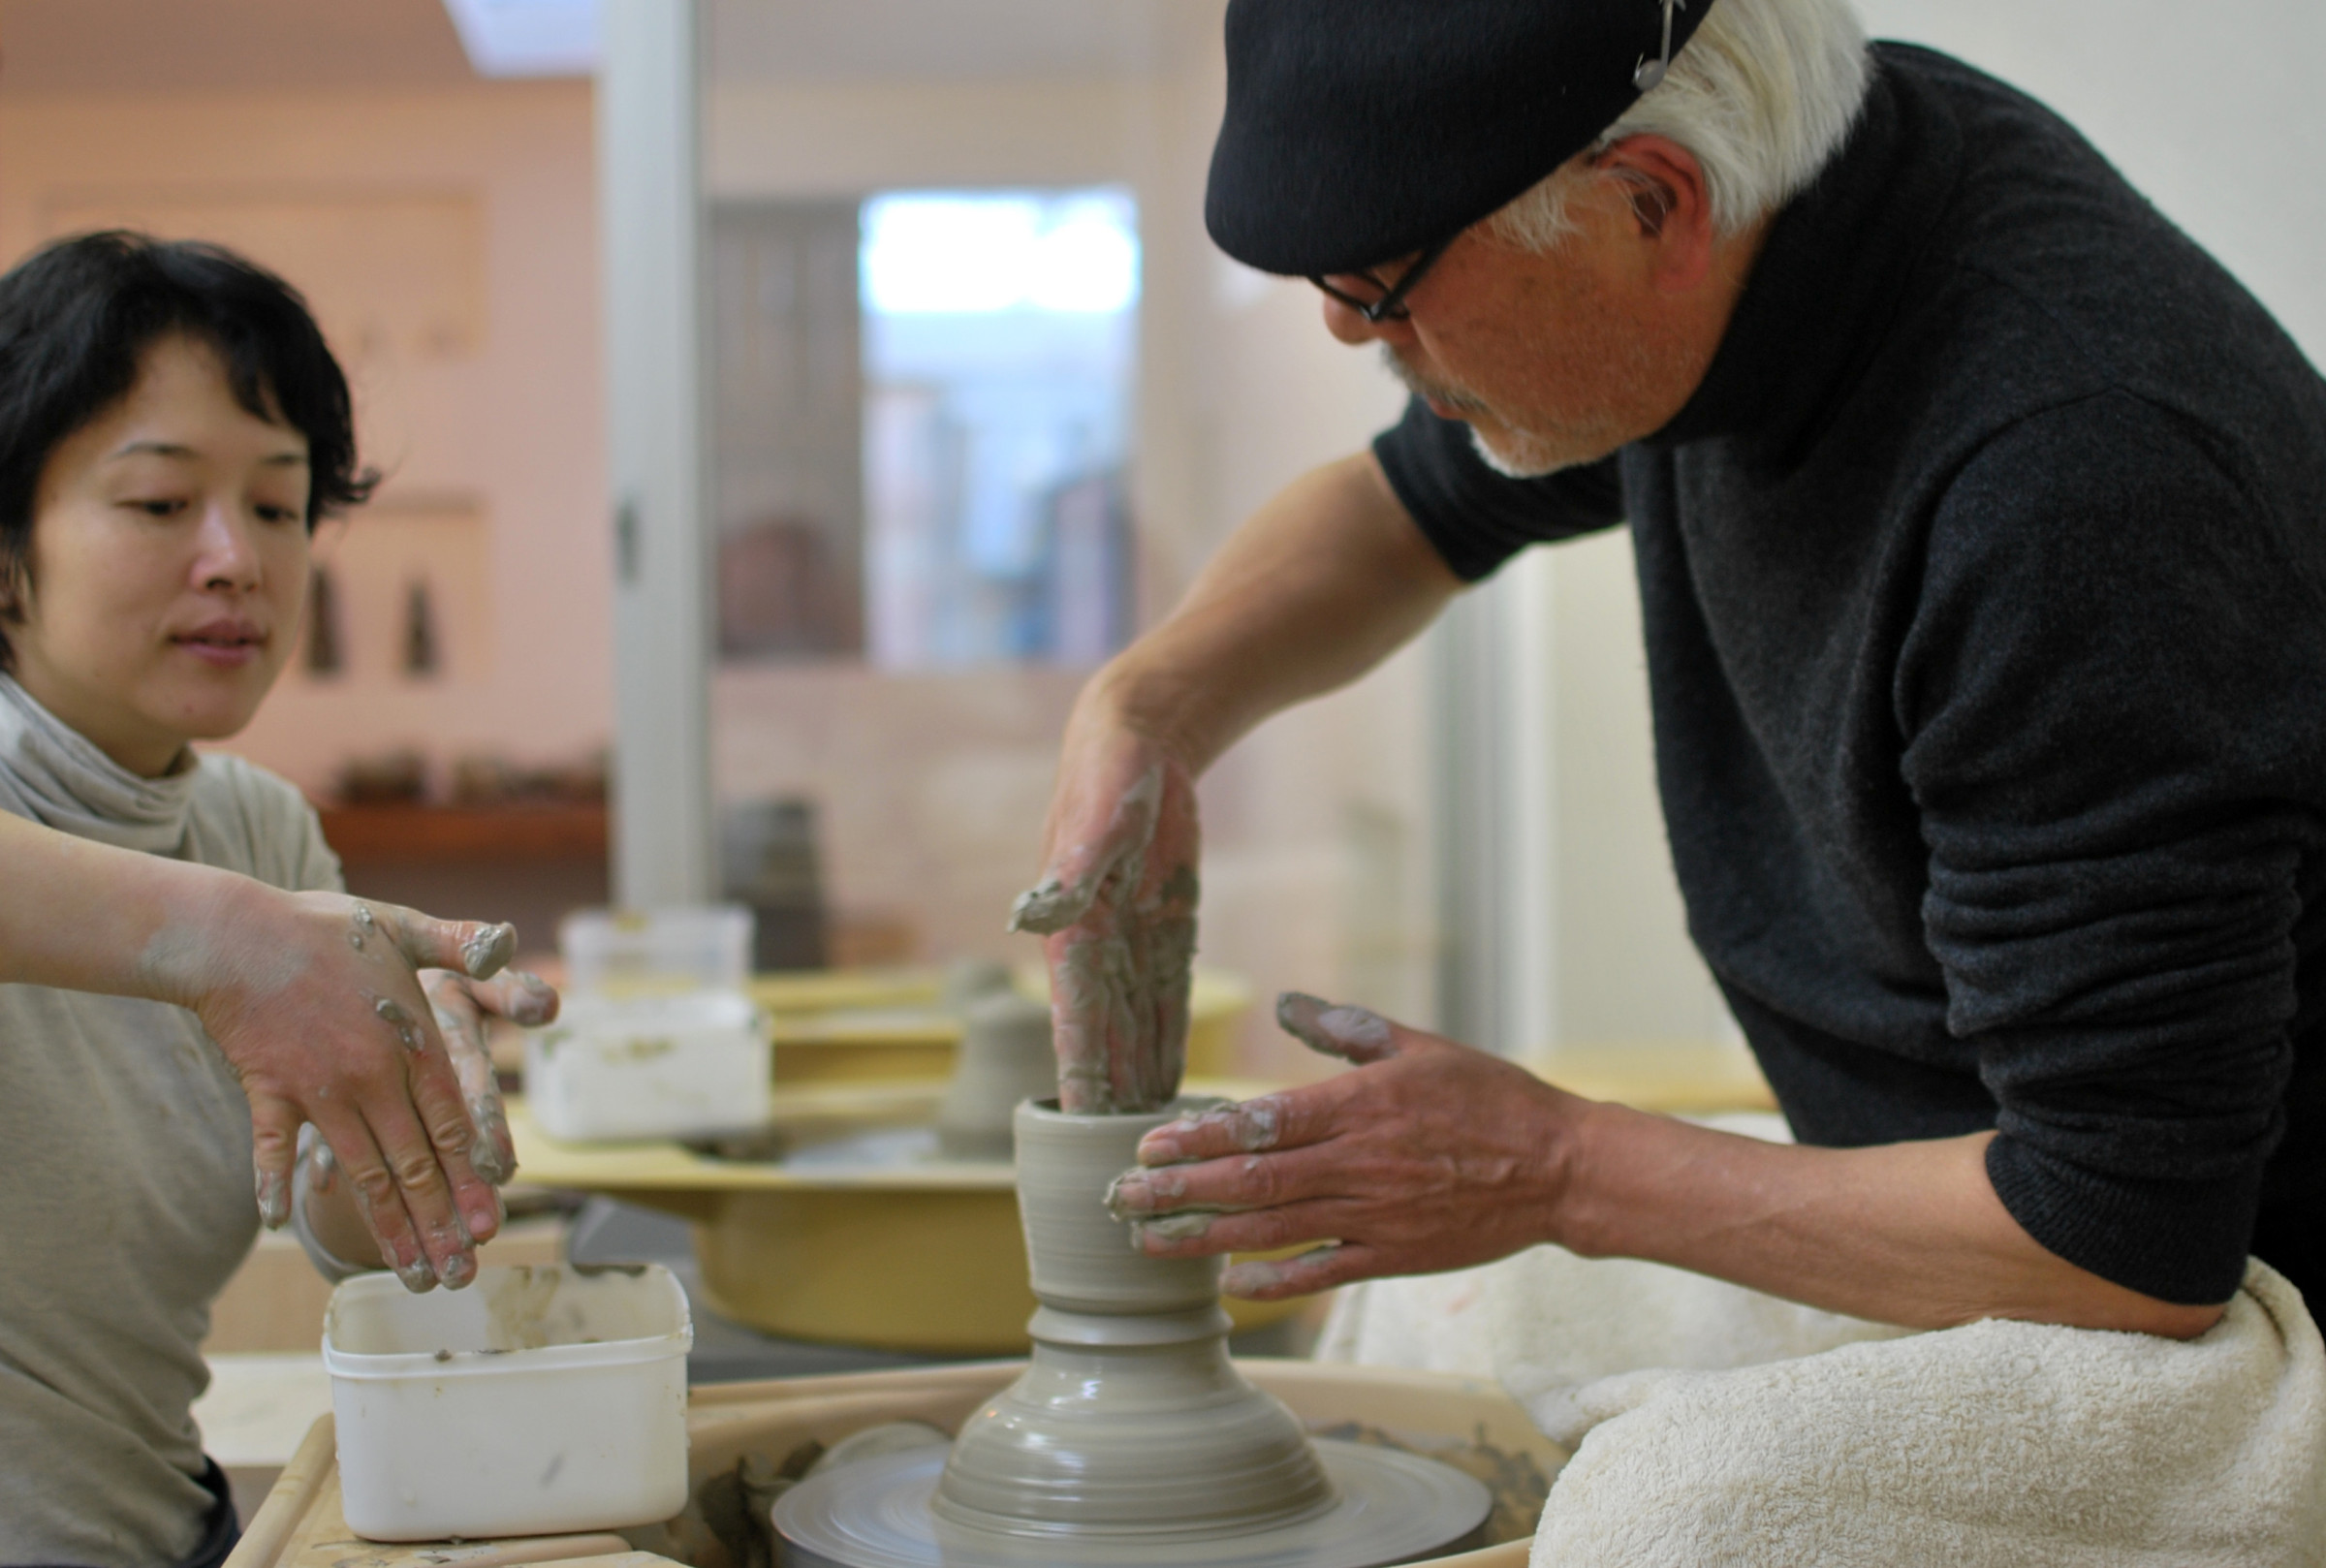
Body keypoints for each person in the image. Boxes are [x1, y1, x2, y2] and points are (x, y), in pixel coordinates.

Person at [1022, 0, 2326, 1344]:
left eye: (1381, 286)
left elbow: (2127, 1239)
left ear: (1655, 206)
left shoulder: (2076, 490)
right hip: (1976, 1199)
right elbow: (1404, 513)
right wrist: (1147, 710)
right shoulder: (1767, 215)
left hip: (2221, 1316)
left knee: (1652, 1520)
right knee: (1425, 1330)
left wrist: (1555, 1164)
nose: (1350, 338)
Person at [0, 232, 554, 1568]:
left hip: (169, 1527)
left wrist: (414, 1147)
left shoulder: (254, 826)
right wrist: (227, 941)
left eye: (277, 503)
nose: (236, 558)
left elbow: (335, 1214)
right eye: (156, 503)